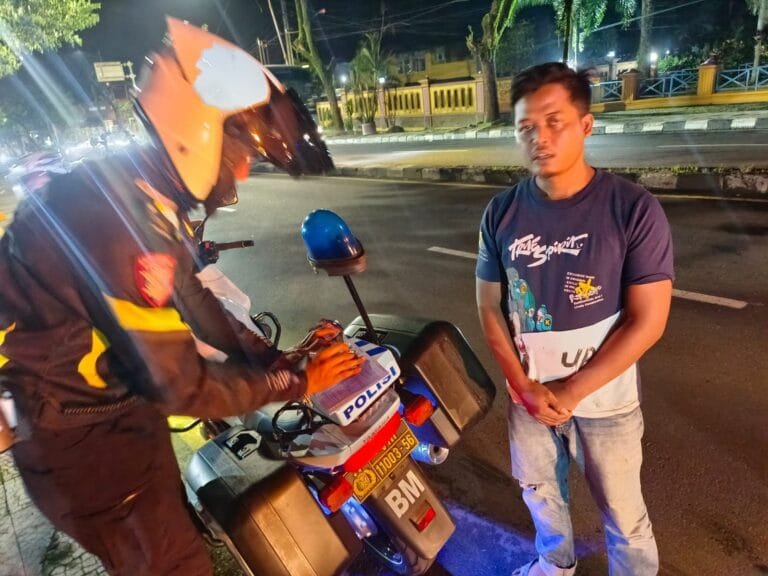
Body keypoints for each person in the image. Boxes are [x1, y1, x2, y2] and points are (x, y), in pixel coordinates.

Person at [0, 18, 360, 576]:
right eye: (241, 153)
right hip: (90, 451)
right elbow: (180, 386)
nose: (241, 173)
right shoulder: (121, 223)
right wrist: (296, 382)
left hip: (112, 417)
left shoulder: (133, 194)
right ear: (199, 133)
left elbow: (194, 297)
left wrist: (273, 361)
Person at [475, 62, 674, 576]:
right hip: (529, 398)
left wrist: (572, 390)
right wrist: (523, 388)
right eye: (525, 128)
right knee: (541, 494)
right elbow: (489, 308)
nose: (539, 137)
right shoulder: (500, 213)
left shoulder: (633, 209)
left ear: (585, 125)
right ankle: (554, 565)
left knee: (624, 514)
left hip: (605, 402)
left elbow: (648, 321)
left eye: (554, 121)